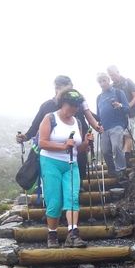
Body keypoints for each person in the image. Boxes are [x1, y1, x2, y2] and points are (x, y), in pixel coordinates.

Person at [38, 89, 94, 248]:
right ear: (62, 103)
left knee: (72, 197)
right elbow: (42, 142)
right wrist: (63, 146)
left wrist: (86, 142)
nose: (74, 109)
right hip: (50, 162)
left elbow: (79, 148)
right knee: (54, 200)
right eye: (71, 105)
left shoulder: (77, 122)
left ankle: (73, 234)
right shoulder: (50, 118)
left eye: (77, 106)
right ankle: (52, 234)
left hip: (71, 163)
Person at [16, 75, 101, 145]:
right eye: (67, 90)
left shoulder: (78, 104)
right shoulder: (47, 106)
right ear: (57, 88)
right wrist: (26, 137)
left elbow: (89, 118)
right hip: (51, 151)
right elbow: (36, 126)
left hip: (77, 150)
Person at [96, 72, 129, 178]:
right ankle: (112, 170)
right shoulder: (99, 98)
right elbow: (98, 115)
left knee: (116, 146)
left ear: (108, 80)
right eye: (100, 82)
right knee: (105, 151)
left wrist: (120, 105)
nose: (102, 83)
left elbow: (127, 108)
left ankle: (121, 170)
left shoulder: (118, 92)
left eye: (104, 80)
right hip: (104, 128)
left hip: (117, 124)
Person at [107, 65, 135, 163]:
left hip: (130, 114)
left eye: (113, 74)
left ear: (118, 72)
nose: (112, 77)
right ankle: (124, 158)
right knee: (120, 137)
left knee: (128, 135)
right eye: (110, 76)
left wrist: (127, 106)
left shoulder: (128, 82)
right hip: (118, 116)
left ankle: (126, 159)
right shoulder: (111, 87)